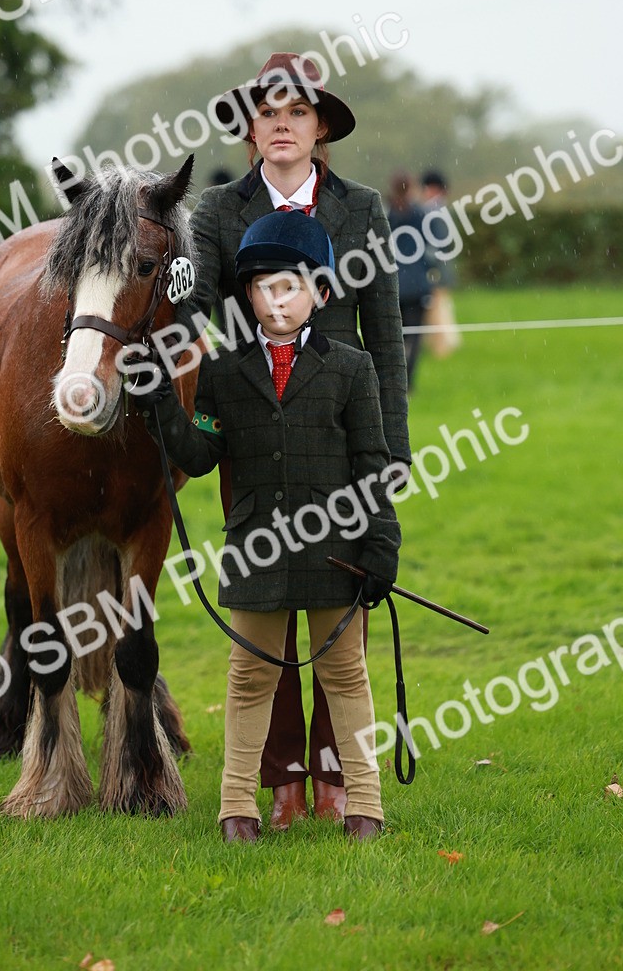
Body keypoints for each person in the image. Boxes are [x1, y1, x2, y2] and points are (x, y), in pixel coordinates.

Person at [174, 52, 410, 829]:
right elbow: (198, 310)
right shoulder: (214, 210)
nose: (281, 122)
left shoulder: (364, 207)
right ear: (250, 128)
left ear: (319, 130)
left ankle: (340, 773)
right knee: (264, 603)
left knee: (340, 605)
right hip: (248, 416)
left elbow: (383, 329)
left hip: (344, 421)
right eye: (268, 111)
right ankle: (278, 780)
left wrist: (393, 452)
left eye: (297, 111)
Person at [135, 210, 401, 843]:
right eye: (261, 287)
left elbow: (373, 465)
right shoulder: (223, 374)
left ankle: (365, 805)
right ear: (246, 296)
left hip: (335, 551)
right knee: (249, 675)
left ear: (322, 293)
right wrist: (164, 408)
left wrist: (381, 542)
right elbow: (200, 454)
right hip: (256, 549)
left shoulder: (352, 369)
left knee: (345, 674)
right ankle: (236, 810)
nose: (276, 299)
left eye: (290, 286)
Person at [386, 172, 431, 391]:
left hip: (392, 284)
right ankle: (408, 381)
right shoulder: (420, 215)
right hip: (417, 285)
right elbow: (430, 249)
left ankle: (395, 380)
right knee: (413, 337)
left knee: (394, 337)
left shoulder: (385, 215)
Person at [419, 168, 461, 359]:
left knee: (438, 309)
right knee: (437, 307)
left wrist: (429, 265)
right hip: (439, 267)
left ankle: (443, 346)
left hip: (435, 269)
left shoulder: (433, 211)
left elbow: (436, 244)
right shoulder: (440, 209)